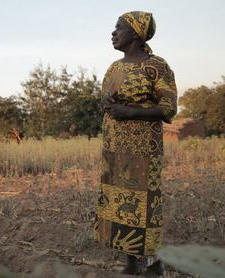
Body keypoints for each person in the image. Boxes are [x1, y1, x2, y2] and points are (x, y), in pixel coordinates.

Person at [93, 11, 177, 277]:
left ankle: (153, 266)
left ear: (136, 33)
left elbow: (168, 108)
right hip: (115, 150)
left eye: (119, 28)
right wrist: (109, 104)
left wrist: (129, 112)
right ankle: (131, 263)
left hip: (143, 151)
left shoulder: (157, 66)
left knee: (145, 208)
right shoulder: (114, 68)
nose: (113, 33)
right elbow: (107, 101)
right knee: (121, 206)